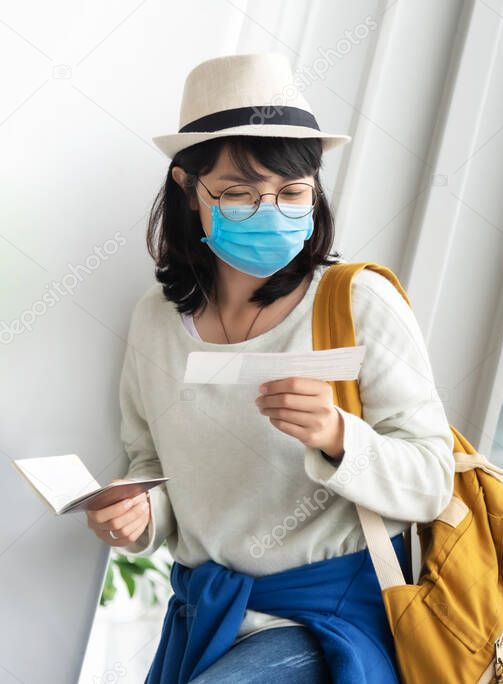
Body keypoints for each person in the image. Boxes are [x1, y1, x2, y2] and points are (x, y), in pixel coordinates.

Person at [84, 53, 455, 683]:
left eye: (291, 193)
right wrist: (141, 513)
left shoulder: (357, 302)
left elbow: (431, 479)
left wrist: (338, 437)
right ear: (186, 187)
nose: (270, 212)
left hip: (327, 629)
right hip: (207, 622)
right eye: (238, 194)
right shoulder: (154, 321)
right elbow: (152, 465)